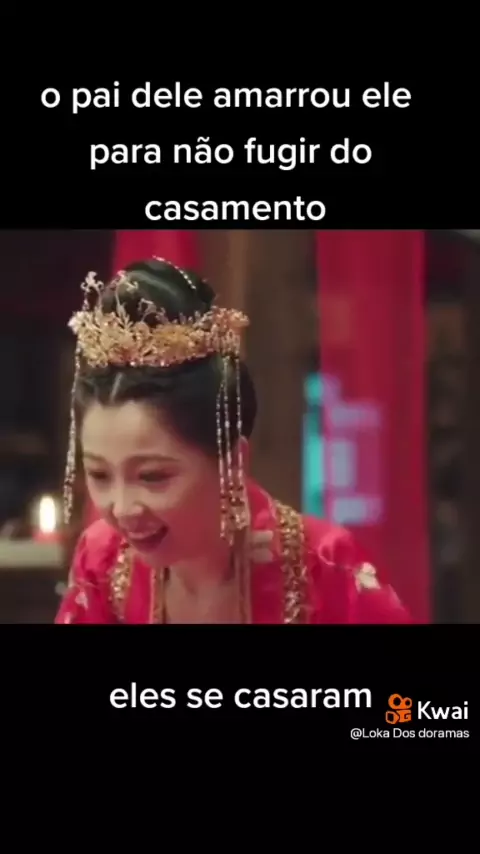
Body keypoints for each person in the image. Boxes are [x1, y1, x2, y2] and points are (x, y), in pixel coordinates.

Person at [56, 257, 411, 625]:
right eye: (99, 475)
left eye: (152, 476)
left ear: (232, 461)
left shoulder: (324, 568)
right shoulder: (102, 560)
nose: (122, 508)